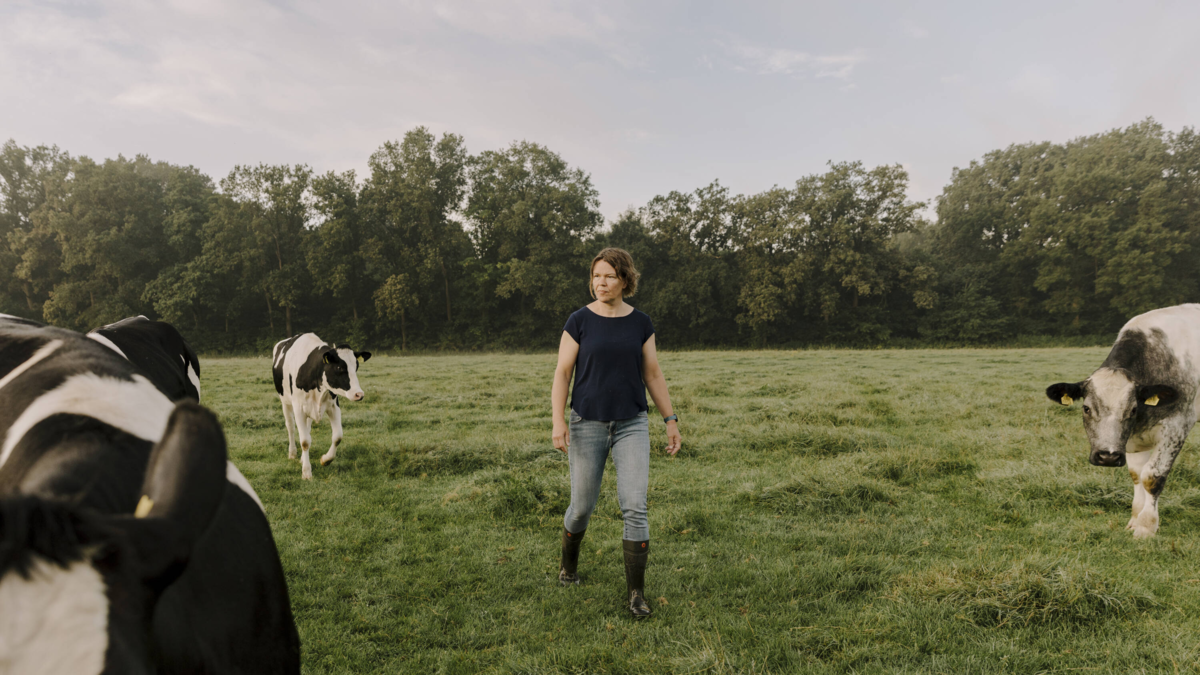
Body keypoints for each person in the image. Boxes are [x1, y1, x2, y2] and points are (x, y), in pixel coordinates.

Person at [551, 247, 682, 618]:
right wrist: (558, 420)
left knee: (635, 506)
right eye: (596, 276)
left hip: (631, 424)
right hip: (587, 423)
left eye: (609, 276)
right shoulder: (578, 320)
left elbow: (652, 373)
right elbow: (563, 373)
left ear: (625, 279)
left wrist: (670, 419)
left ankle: (636, 595)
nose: (601, 282)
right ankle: (568, 567)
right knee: (581, 508)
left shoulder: (640, 322)